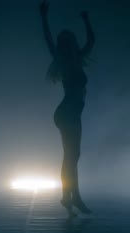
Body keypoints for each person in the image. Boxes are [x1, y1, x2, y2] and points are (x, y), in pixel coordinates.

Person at [40, 1, 95, 214]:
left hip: (72, 114)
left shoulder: (78, 60)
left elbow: (91, 40)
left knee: (73, 157)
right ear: (65, 45)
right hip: (67, 113)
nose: (73, 44)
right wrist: (44, 17)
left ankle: (68, 197)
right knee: (72, 157)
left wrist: (86, 20)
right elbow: (47, 39)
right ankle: (73, 197)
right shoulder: (63, 61)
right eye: (69, 42)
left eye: (72, 41)